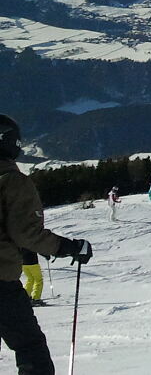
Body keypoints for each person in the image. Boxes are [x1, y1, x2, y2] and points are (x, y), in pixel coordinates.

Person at [1, 114, 93, 374]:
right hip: (1, 285)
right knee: (30, 347)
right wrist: (69, 247)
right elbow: (26, 233)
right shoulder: (11, 180)